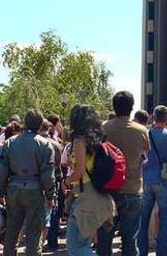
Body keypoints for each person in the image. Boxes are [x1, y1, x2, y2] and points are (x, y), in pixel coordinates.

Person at [0, 109, 56, 256]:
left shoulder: (9, 143)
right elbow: (48, 176)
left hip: (13, 191)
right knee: (34, 234)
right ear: (41, 124)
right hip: (35, 192)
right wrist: (50, 196)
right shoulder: (45, 145)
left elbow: (2, 172)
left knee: (11, 232)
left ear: (24, 123)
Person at [98, 91, 150, 256]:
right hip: (133, 188)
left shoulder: (104, 129)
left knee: (105, 239)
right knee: (130, 239)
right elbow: (146, 151)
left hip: (107, 190)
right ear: (132, 108)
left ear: (114, 106)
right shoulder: (141, 130)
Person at [65, 104, 115, 255]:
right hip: (97, 196)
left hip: (86, 197)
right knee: (82, 244)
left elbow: (79, 171)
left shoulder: (80, 141)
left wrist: (66, 181)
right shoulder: (97, 139)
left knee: (76, 246)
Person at [138, 105, 167, 256]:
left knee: (144, 219)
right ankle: (163, 252)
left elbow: (140, 155)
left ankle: (141, 251)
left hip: (146, 178)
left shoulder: (145, 133)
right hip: (163, 179)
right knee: (165, 220)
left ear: (153, 118)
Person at [40, 119, 63, 251]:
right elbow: (58, 167)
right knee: (53, 214)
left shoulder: (34, 143)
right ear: (49, 129)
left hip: (35, 184)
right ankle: (52, 243)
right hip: (52, 182)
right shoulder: (55, 145)